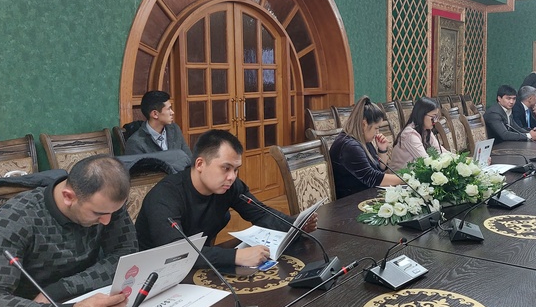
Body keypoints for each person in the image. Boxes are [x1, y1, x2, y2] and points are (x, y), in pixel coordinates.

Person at [0, 155, 137, 307]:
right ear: (68, 197)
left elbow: (125, 256)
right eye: (98, 213)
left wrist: (60, 289)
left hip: (82, 303)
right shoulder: (15, 219)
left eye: (113, 213)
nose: (107, 221)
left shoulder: (106, 207)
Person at [136, 129, 316, 269]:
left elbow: (261, 213)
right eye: (226, 168)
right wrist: (236, 256)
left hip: (201, 267)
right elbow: (176, 252)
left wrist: (295, 225)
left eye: (236, 169)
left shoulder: (229, 187)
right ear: (200, 164)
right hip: (156, 275)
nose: (232, 177)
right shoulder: (165, 196)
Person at [330, 96, 404, 198]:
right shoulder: (349, 146)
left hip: (366, 195)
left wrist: (382, 150)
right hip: (350, 201)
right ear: (364, 124)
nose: (377, 132)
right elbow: (372, 178)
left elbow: (378, 170)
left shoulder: (363, 140)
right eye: (376, 128)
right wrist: (406, 180)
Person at [125, 90, 192, 159]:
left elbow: (189, 158)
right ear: (155, 114)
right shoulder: (135, 143)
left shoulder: (175, 129)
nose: (172, 112)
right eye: (169, 109)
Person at [389, 97, 445, 171]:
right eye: (433, 117)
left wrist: (456, 159)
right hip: (399, 176)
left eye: (436, 117)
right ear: (421, 115)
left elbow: (440, 151)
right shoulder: (410, 135)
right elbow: (425, 161)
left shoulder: (425, 130)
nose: (435, 121)